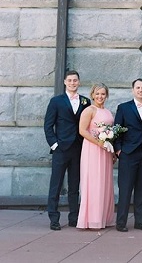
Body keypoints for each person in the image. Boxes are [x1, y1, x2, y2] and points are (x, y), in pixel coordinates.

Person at [44, 70, 89, 231]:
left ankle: (74, 217)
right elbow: (48, 125)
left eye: (75, 80)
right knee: (55, 184)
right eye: (69, 80)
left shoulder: (86, 101)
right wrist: (54, 144)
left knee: (75, 185)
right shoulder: (56, 101)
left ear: (79, 82)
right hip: (61, 149)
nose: (72, 83)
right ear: (64, 82)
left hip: (78, 149)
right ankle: (54, 218)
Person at [114, 79, 142, 232]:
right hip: (128, 153)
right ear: (133, 90)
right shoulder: (123, 108)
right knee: (125, 188)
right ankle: (121, 222)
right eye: (138, 88)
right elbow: (117, 129)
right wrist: (119, 150)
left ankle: (139, 221)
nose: (140, 90)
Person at [76, 83, 116, 229]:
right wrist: (99, 143)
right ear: (92, 95)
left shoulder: (108, 112)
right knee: (93, 182)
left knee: (104, 182)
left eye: (103, 94)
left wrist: (111, 150)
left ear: (107, 95)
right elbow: (82, 130)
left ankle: (103, 217)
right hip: (92, 149)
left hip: (106, 150)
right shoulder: (89, 110)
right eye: (97, 94)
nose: (100, 97)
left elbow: (111, 133)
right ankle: (91, 219)